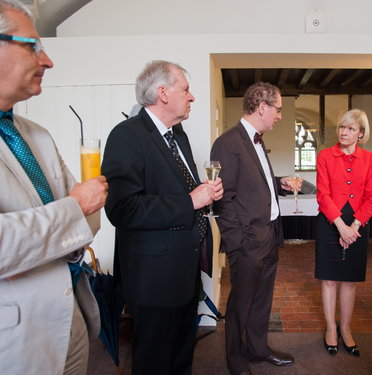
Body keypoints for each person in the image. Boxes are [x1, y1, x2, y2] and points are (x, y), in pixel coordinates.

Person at [0, 1, 108, 374]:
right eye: (33, 46)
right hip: (15, 337)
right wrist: (73, 210)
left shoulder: (37, 136)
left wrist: (34, 242)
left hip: (71, 315)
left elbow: (91, 218)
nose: (48, 61)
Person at [102, 60, 223, 374]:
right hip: (153, 279)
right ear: (163, 93)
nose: (192, 97)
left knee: (182, 357)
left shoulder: (177, 135)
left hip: (186, 271)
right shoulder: (126, 135)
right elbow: (122, 209)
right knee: (153, 362)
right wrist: (191, 199)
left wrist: (205, 193)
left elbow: (180, 191)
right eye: (186, 89)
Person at [211, 81, 299, 375]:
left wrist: (280, 184)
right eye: (278, 109)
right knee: (240, 305)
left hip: (269, 235)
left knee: (262, 301)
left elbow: (254, 184)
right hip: (248, 242)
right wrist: (239, 242)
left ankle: (258, 351)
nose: (279, 115)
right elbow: (225, 199)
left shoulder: (256, 140)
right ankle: (237, 361)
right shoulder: (227, 143)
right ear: (262, 107)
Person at [315, 109, 372, 358]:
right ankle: (331, 329)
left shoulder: (369, 158)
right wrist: (341, 226)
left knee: (350, 281)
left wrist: (354, 227)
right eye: (342, 127)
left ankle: (346, 329)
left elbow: (371, 198)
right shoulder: (325, 156)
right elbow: (323, 194)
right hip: (331, 221)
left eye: (350, 128)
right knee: (329, 279)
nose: (344, 132)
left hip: (358, 225)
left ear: (361, 134)